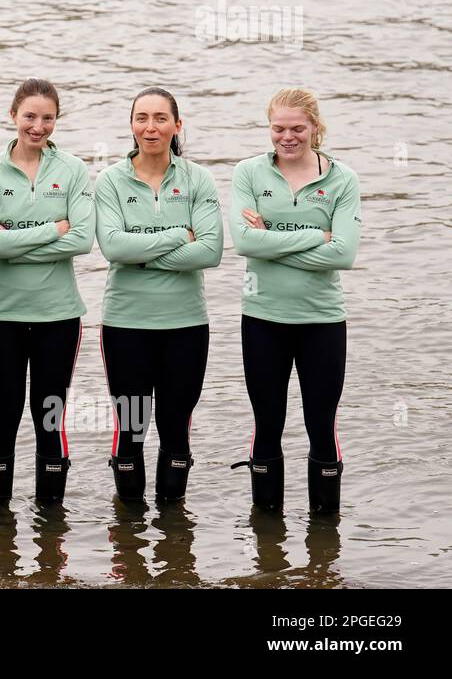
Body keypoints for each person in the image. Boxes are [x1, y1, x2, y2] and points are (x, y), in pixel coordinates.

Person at [229, 88, 360, 514]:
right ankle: (267, 533)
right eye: (279, 128)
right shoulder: (249, 173)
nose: (288, 137)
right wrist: (313, 237)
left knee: (321, 425)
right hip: (263, 318)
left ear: (315, 129)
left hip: (322, 320)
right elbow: (246, 242)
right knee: (268, 424)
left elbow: (343, 253)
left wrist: (273, 239)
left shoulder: (342, 179)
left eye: (298, 128)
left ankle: (325, 539)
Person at [95, 87, 222, 503]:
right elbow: (113, 247)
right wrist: (174, 237)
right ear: (132, 125)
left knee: (175, 428)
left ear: (177, 125)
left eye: (160, 118)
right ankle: (128, 538)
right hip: (126, 325)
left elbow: (210, 251)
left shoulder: (197, 179)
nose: (151, 127)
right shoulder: (112, 180)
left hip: (185, 325)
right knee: (131, 430)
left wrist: (142, 256)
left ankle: (174, 534)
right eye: (142, 118)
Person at [0, 79, 94, 504]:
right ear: (13, 116)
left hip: (58, 316)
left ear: (56, 120)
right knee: (3, 418)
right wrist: (50, 231)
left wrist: (15, 241)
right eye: (29, 116)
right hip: (2, 315)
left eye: (47, 118)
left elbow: (81, 240)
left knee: (50, 418)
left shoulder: (74, 170)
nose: (37, 126)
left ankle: (51, 527)